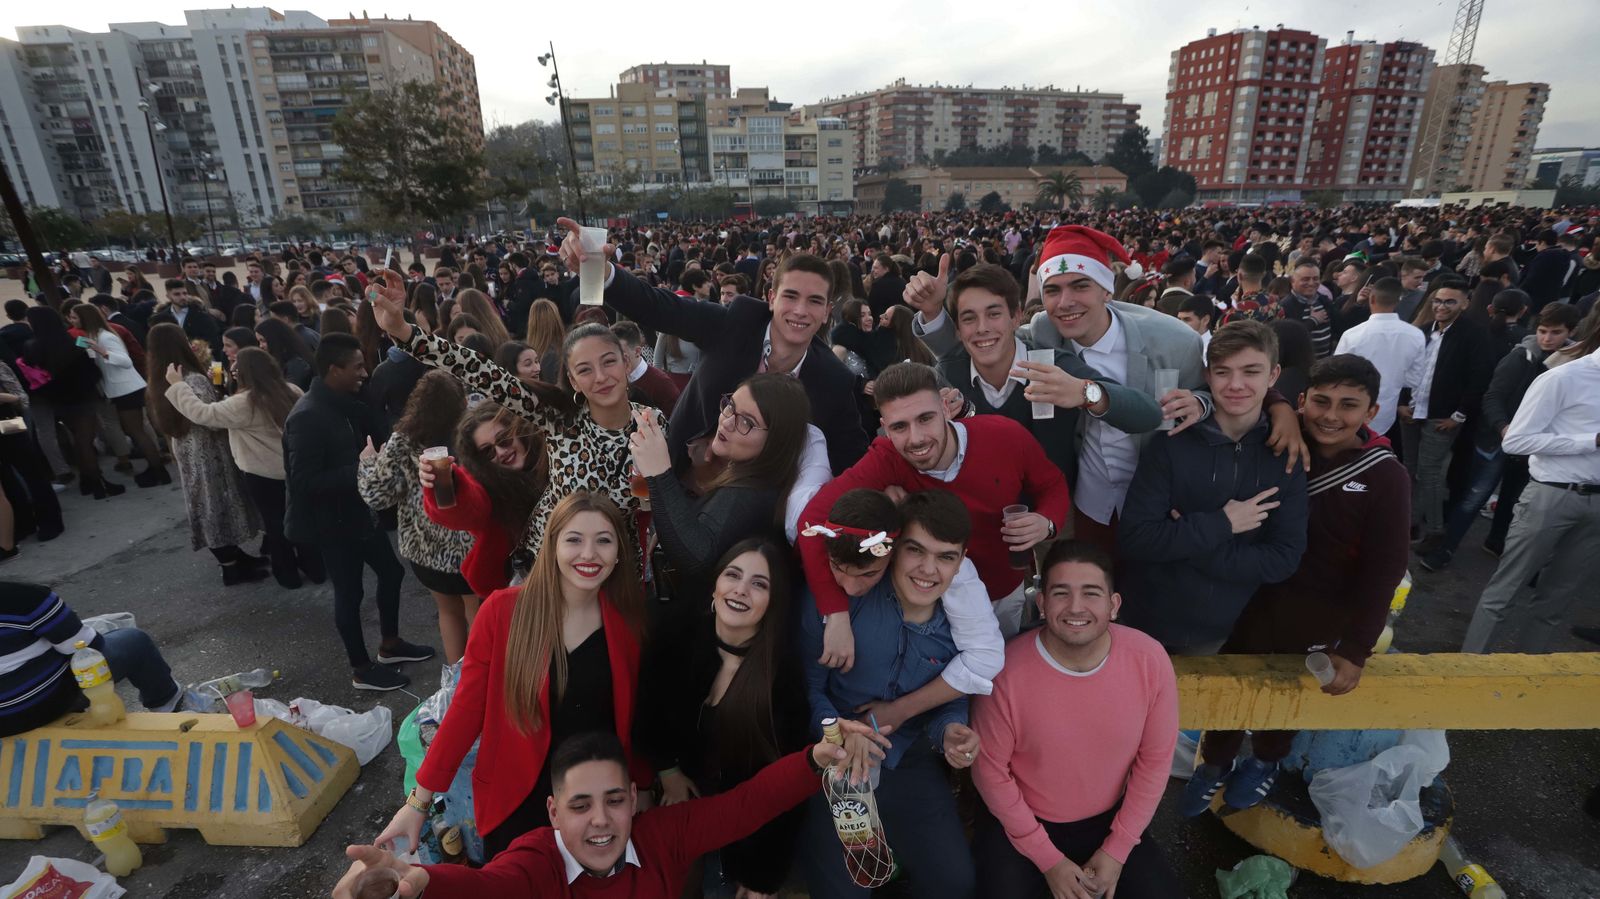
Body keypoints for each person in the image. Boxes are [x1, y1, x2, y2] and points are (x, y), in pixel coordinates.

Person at [1183, 355, 1409, 814]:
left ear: (1371, 412)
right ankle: (1214, 764)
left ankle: (1266, 762)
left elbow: (1384, 569)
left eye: (1348, 406)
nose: (1331, 415)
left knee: (1289, 694)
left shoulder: (1386, 475)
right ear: (1303, 400)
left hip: (1321, 611)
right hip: (1247, 596)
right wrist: (1281, 406)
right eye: (1321, 401)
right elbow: (1251, 385)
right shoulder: (1275, 438)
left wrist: (1357, 647)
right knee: (1231, 683)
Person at [997, 226, 1307, 553]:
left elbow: (1218, 388)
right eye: (1053, 290)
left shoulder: (1173, 340)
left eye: (1080, 285)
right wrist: (935, 317)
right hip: (1090, 501)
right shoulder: (1045, 332)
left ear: (1106, 289)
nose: (1065, 302)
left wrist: (1276, 405)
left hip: (1165, 505)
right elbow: (988, 342)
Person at [376, 492, 649, 860]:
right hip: (517, 802)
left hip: (594, 805)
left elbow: (633, 721)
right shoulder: (503, 613)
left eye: (603, 540)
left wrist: (643, 785)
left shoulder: (628, 626)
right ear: (551, 546)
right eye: (574, 540)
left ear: (619, 553)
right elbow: (465, 712)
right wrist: (418, 802)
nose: (589, 554)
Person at [337, 724, 889, 899]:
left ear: (633, 797)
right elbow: (487, 888)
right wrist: (422, 880)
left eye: (614, 800)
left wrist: (816, 760)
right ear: (553, 812)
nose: (601, 820)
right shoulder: (536, 860)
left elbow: (745, 807)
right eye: (580, 806)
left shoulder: (662, 836)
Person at [371, 271, 662, 573]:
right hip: (550, 570)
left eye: (609, 361)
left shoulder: (654, 426)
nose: (601, 377)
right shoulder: (558, 418)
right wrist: (405, 332)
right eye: (585, 369)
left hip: (619, 572)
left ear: (626, 362)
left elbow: (673, 497)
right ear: (573, 381)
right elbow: (481, 371)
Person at [557, 217, 868, 475]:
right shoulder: (734, 324)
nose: (800, 311)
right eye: (791, 296)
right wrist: (599, 268)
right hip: (685, 478)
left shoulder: (834, 380)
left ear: (828, 311)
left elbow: (852, 460)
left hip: (758, 516)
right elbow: (661, 308)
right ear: (771, 299)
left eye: (814, 301)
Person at [798, 362, 1071, 645]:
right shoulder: (885, 459)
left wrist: (1047, 522)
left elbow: (1051, 484)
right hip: (927, 602)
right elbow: (811, 520)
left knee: (1000, 672)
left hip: (1001, 592)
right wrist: (835, 612)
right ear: (885, 429)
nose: (916, 438)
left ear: (944, 408)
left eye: (925, 418)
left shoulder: (1005, 436)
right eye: (899, 427)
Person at [972, 540, 1182, 899]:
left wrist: (1117, 850)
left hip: (1109, 820)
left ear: (1113, 605)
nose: (1076, 608)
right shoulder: (1005, 672)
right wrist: (1048, 859)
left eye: (1091, 593)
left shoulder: (1149, 659)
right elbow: (990, 771)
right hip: (1024, 820)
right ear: (1041, 603)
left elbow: (1155, 760)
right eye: (1060, 593)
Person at [797, 489, 980, 899]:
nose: (928, 570)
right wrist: (841, 734)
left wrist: (951, 730)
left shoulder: (964, 622)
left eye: (946, 557)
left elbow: (952, 696)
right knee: (844, 892)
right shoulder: (844, 600)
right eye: (916, 551)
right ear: (893, 549)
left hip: (909, 761)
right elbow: (807, 689)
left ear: (961, 560)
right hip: (837, 764)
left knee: (954, 882)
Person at [1117, 321, 1309, 654]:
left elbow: (1283, 559)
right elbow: (1137, 538)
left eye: (1251, 372)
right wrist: (1224, 523)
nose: (1236, 385)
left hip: (1224, 631)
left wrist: (1192, 543)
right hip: (1144, 622)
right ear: (1207, 376)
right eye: (1223, 372)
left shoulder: (1284, 454)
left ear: (1273, 375)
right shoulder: (1171, 444)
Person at [633, 540, 811, 897]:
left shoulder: (782, 678)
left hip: (742, 837)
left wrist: (762, 876)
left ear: (773, 602)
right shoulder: (674, 639)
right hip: (673, 816)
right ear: (715, 585)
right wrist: (668, 773)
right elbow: (645, 715)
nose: (741, 589)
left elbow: (787, 787)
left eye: (759, 584)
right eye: (733, 575)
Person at [284, 332, 434, 692]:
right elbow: (303, 481)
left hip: (359, 513)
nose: (365, 373)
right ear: (334, 370)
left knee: (392, 573)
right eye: (356, 367)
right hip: (332, 523)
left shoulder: (345, 401)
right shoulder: (307, 416)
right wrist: (362, 467)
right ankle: (361, 669)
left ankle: (390, 644)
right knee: (349, 594)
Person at [929, 263, 1162, 492]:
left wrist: (1085, 393)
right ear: (958, 329)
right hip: (979, 515)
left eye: (994, 314)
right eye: (969, 318)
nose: (982, 328)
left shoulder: (1051, 366)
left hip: (1054, 515)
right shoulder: (950, 373)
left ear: (1016, 317)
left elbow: (1148, 414)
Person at [1461, 326, 1600, 653]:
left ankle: (1530, 677)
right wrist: (1589, 441)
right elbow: (1516, 441)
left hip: (1596, 508)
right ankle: (1467, 671)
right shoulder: (1564, 378)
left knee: (1557, 601)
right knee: (1504, 592)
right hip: (1550, 494)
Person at [1425, 303, 1581, 570]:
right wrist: (1503, 427)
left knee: (1513, 499)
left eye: (1555, 333)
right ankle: (1447, 547)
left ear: (1570, 332)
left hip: (1537, 447)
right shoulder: (1521, 356)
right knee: (1474, 497)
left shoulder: (1575, 366)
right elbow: (1493, 395)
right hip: (1498, 441)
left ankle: (1496, 541)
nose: (1547, 338)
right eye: (1543, 331)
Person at [165, 346, 320, 590]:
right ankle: (316, 568)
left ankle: (288, 575)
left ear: (244, 373)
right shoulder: (292, 390)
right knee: (304, 520)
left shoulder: (243, 403)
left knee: (276, 525)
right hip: (296, 468)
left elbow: (202, 413)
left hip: (263, 475)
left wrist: (177, 386)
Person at [358, 370, 477, 665]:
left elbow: (377, 495)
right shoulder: (473, 433)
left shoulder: (404, 439)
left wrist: (368, 461)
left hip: (426, 552)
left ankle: (458, 686)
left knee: (448, 612)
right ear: (461, 401)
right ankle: (487, 679)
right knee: (479, 615)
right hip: (474, 549)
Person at [0, 581, 206, 738]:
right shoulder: (24, 597)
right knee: (134, 641)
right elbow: (88, 647)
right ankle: (170, 705)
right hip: (48, 704)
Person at [145, 324, 267, 585]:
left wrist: (217, 384)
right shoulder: (190, 379)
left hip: (187, 449)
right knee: (217, 504)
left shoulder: (159, 379)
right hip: (209, 449)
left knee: (204, 503)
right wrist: (219, 394)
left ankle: (234, 557)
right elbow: (210, 418)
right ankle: (231, 567)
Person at [1398, 277, 1493, 552]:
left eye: (1449, 301)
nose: (1441, 306)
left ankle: (1436, 532)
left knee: (1428, 473)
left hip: (1442, 418)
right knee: (1409, 470)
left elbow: (1479, 380)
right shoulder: (1424, 331)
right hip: (1412, 413)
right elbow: (1408, 369)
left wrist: (1459, 416)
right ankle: (1411, 522)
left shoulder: (1474, 335)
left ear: (1465, 302)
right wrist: (1402, 403)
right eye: (1438, 300)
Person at [23, 306, 125, 499]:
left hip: (58, 401)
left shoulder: (31, 346)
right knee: (84, 441)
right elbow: (91, 370)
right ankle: (98, 484)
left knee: (78, 441)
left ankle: (87, 481)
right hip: (83, 397)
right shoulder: (74, 341)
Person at [68, 303, 169, 487]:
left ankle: (158, 471)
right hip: (119, 389)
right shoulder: (93, 336)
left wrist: (101, 351)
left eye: (74, 317)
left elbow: (125, 361)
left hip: (127, 389)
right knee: (135, 431)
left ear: (86, 318)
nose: (71, 321)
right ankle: (156, 469)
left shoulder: (105, 336)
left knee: (137, 432)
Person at [1333, 276, 1426, 439]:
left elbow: (1336, 373)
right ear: (1398, 301)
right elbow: (1415, 379)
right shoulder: (1415, 335)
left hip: (1352, 408)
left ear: (1372, 298)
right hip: (1386, 413)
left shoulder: (1353, 334)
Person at [610, 321, 681, 415]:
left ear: (637, 351)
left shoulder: (662, 384)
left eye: (622, 353)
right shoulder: (610, 380)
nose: (614, 359)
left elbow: (674, 424)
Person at [161, 279, 223, 358]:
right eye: (177, 294)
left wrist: (217, 370)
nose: (183, 297)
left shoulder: (201, 316)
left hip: (203, 362)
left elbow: (215, 345)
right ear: (168, 296)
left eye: (185, 293)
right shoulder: (163, 318)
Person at [256, 317, 316, 391]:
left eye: (263, 341)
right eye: (259, 341)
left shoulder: (296, 363)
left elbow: (288, 393)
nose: (260, 346)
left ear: (274, 339)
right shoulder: (278, 359)